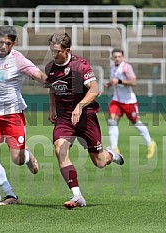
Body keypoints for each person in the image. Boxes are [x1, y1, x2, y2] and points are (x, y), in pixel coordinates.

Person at [44, 32, 124, 209]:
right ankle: (77, 195)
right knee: (60, 149)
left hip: (86, 116)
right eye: (51, 51)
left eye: (57, 51)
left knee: (99, 162)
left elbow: (95, 90)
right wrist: (52, 109)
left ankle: (111, 154)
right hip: (64, 118)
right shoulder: (50, 67)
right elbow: (52, 87)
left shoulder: (80, 66)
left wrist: (79, 106)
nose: (53, 55)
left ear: (68, 50)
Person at [0, 25, 48, 205]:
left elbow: (37, 74)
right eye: (0, 42)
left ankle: (27, 156)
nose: (4, 46)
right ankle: (10, 195)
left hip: (12, 115)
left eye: (8, 43)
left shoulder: (18, 59)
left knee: (17, 159)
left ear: (13, 44)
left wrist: (53, 82)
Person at [105, 48, 156, 159]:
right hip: (116, 100)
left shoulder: (126, 67)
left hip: (128, 101)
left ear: (123, 57)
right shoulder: (113, 68)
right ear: (112, 58)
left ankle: (150, 143)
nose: (117, 59)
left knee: (136, 123)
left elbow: (133, 82)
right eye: (115, 57)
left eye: (119, 56)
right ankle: (114, 148)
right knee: (112, 121)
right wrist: (109, 84)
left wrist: (119, 81)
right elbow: (114, 81)